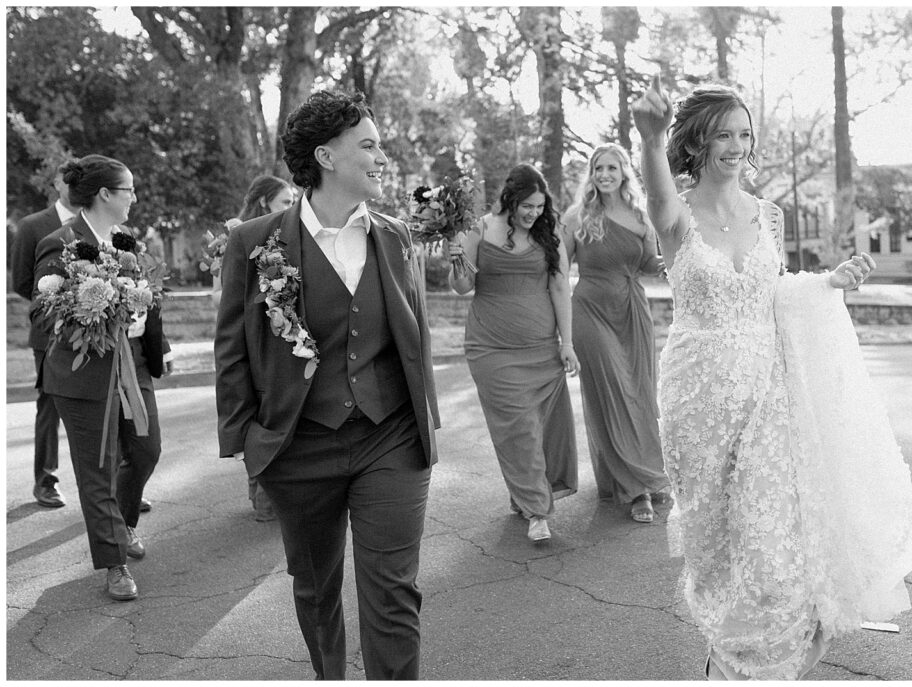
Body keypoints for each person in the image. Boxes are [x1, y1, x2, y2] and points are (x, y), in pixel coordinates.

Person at [632, 77, 912, 680]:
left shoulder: (769, 215)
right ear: (697, 143)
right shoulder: (677, 213)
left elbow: (775, 292)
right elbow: (656, 200)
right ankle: (725, 659)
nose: (735, 145)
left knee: (775, 547)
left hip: (766, 391)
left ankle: (763, 666)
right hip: (697, 396)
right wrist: (649, 140)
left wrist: (829, 283)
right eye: (723, 134)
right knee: (717, 549)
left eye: (744, 134)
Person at [215, 90, 439, 680]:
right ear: (326, 157)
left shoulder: (394, 236)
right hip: (299, 445)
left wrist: (426, 420)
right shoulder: (254, 242)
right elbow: (233, 348)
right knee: (315, 590)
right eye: (369, 145)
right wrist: (248, 446)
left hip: (390, 437)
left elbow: (414, 342)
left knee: (392, 588)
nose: (381, 156)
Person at [31, 154, 170, 601]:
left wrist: (153, 335)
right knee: (97, 469)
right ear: (105, 194)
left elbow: (149, 302)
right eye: (128, 190)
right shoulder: (60, 243)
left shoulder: (129, 242)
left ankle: (124, 522)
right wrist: (97, 309)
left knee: (147, 451)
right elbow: (41, 312)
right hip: (83, 373)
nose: (134, 197)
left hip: (133, 366)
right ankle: (114, 563)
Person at [447, 164, 579, 543]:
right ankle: (538, 511)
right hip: (491, 347)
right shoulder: (479, 228)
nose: (533, 214)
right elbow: (462, 286)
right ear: (510, 198)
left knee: (540, 428)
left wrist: (566, 343)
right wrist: (456, 259)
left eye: (539, 207)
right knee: (518, 428)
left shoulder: (549, 232)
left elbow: (559, 290)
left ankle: (525, 493)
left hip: (540, 348)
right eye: (527, 206)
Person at [563, 144, 671, 524]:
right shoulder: (577, 217)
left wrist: (679, 250)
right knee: (613, 394)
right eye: (598, 168)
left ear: (625, 172)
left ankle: (641, 472)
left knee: (640, 395)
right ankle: (637, 490)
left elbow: (649, 263)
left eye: (612, 167)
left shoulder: (642, 215)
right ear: (591, 174)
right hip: (590, 312)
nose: (604, 174)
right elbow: (557, 273)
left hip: (632, 312)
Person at [211, 173, 294, 521]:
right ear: (265, 203)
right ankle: (262, 491)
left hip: (280, 334)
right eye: (285, 203)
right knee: (257, 411)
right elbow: (223, 294)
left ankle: (266, 489)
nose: (292, 208)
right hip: (251, 333)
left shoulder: (289, 237)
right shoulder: (240, 238)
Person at [12, 161, 80, 508]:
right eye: (68, 179)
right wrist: (61, 309)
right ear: (56, 183)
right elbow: (23, 281)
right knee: (49, 406)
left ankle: (121, 484)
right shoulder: (32, 226)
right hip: (49, 334)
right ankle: (46, 481)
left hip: (97, 332)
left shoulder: (98, 223)